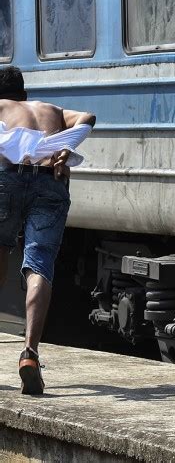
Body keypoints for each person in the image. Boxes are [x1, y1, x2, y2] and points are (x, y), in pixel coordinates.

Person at [0, 66, 95, 395]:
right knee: (39, 264)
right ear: (24, 96)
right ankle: (30, 354)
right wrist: (66, 147)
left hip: (6, 180)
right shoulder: (50, 110)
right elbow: (88, 116)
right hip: (50, 181)